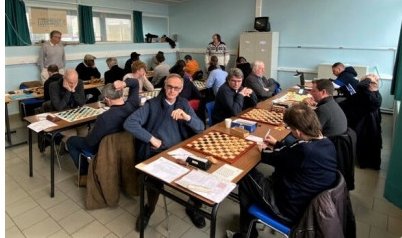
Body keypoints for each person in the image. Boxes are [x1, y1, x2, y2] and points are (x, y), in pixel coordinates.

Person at [226, 103, 338, 238]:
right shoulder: (327, 143)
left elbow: (275, 158)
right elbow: (290, 155)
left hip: (288, 211)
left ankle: (247, 235)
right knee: (253, 183)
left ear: (297, 132)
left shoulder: (305, 151)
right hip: (306, 204)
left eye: (289, 128)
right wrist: (278, 144)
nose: (289, 131)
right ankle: (249, 224)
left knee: (244, 175)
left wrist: (264, 150)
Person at [123, 74, 206, 231]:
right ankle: (149, 210)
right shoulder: (152, 104)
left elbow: (200, 127)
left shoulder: (183, 104)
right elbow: (129, 123)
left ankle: (193, 206)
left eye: (176, 88)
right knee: (154, 181)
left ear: (181, 89)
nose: (172, 90)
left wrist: (187, 117)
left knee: (198, 172)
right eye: (169, 87)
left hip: (181, 150)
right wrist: (151, 139)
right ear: (164, 86)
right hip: (159, 152)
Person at [66, 78, 140, 187]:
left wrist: (91, 132)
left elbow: (90, 142)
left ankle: (85, 175)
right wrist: (124, 83)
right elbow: (135, 83)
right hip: (127, 146)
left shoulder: (104, 118)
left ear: (107, 99)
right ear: (121, 92)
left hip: (106, 149)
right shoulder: (133, 104)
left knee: (71, 141)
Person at [339, 74, 382, 170]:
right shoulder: (373, 95)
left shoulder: (369, 96)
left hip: (362, 124)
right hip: (364, 122)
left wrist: (367, 79)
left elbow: (361, 86)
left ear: (369, 85)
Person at [49, 69, 89, 151]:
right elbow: (59, 107)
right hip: (59, 117)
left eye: (75, 82)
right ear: (64, 79)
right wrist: (68, 91)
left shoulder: (79, 83)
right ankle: (70, 148)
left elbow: (81, 103)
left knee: (84, 130)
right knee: (72, 134)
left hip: (74, 115)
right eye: (70, 82)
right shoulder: (54, 86)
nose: (73, 84)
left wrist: (73, 91)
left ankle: (78, 151)